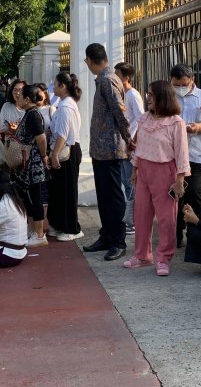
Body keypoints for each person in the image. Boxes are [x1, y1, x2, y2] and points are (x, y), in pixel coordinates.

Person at [122, 81, 189, 276]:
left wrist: (179, 179)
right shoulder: (144, 119)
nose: (148, 98)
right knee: (141, 214)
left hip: (165, 171)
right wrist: (134, 169)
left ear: (163, 97)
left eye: (151, 94)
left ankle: (164, 258)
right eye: (148, 93)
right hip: (143, 170)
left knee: (166, 218)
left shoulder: (176, 122)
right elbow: (139, 146)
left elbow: (182, 153)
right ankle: (142, 255)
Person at [82, 43, 133, 262]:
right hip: (101, 148)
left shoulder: (108, 80)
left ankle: (118, 241)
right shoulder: (104, 80)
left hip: (111, 147)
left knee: (113, 196)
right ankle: (107, 235)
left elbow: (120, 112)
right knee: (104, 195)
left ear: (90, 61)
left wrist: (128, 138)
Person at [170, 63, 201, 247]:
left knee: (194, 195)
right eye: (176, 84)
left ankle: (197, 236)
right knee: (173, 196)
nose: (180, 88)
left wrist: (197, 128)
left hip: (195, 155)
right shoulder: (168, 96)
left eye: (184, 84)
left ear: (192, 80)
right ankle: (175, 235)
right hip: (171, 155)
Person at [47, 72, 83, 241]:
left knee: (67, 191)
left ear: (62, 86)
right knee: (58, 191)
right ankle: (58, 224)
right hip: (64, 149)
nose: (52, 87)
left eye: (55, 84)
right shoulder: (64, 104)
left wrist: (54, 154)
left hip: (67, 151)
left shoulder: (66, 106)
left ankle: (72, 228)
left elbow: (63, 133)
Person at [15, 84, 49, 247]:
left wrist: (43, 156)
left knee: (34, 197)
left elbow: (41, 139)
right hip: (28, 161)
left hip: (33, 162)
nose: (18, 98)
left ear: (27, 99)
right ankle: (32, 231)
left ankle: (39, 233)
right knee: (28, 197)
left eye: (20, 95)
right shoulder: (29, 113)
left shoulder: (33, 115)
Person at [115, 62, 145, 236]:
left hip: (130, 147)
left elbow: (142, 120)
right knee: (124, 183)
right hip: (122, 146)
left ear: (126, 78)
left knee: (129, 184)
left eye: (118, 74)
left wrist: (133, 141)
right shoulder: (121, 94)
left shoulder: (133, 96)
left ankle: (132, 221)